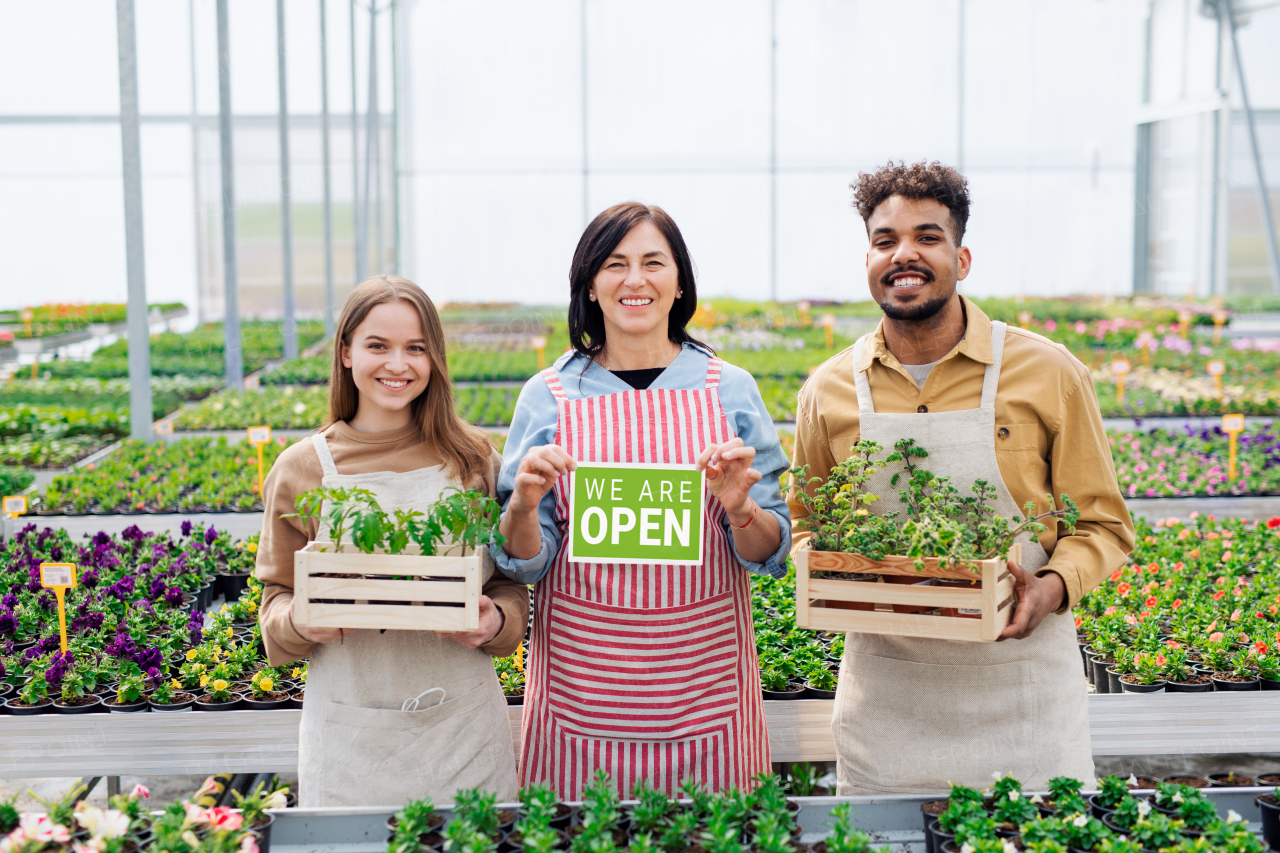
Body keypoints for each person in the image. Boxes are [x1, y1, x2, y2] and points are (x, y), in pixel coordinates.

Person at [789, 161, 1134, 794]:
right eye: (885, 240)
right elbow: (805, 525)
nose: (905, 255)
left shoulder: (1048, 372)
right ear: (867, 257)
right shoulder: (830, 388)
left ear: (962, 258)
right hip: (887, 707)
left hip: (1024, 697)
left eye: (927, 237)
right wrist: (831, 572)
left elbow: (1104, 524)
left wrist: (1052, 588)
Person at [494, 202, 791, 798]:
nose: (635, 280)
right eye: (615, 264)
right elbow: (527, 559)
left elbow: (772, 550)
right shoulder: (548, 395)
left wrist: (741, 510)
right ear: (591, 286)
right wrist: (523, 507)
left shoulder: (728, 389)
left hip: (708, 703)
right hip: (580, 700)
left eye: (654, 262)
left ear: (679, 283)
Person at [255, 275, 528, 806]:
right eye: (378, 346)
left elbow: (512, 586)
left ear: (435, 360)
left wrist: (495, 622)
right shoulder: (301, 468)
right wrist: (299, 621)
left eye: (416, 349)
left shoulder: (473, 460)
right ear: (346, 352)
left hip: (463, 730)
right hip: (349, 740)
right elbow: (274, 614)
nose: (397, 365)